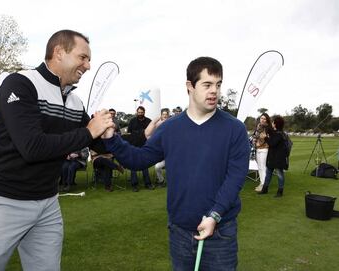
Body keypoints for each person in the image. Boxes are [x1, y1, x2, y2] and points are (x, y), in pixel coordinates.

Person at [0, 29, 114, 270]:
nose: (88, 65)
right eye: (83, 57)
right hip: (3, 201)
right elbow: (32, 147)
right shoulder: (20, 83)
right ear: (59, 52)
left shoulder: (74, 101)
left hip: (47, 203)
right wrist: (88, 132)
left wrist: (119, 135)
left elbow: (100, 144)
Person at [102, 56, 250, 270]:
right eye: (207, 84)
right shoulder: (170, 128)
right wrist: (111, 139)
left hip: (220, 233)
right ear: (190, 86)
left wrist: (214, 215)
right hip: (180, 232)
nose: (214, 91)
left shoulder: (234, 129)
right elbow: (139, 159)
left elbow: (235, 178)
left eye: (218, 85)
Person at [258, 115, 288, 197]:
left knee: (279, 174)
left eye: (273, 122)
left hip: (278, 158)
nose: (272, 123)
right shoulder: (276, 132)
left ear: (276, 124)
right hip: (272, 157)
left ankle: (280, 191)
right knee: (268, 174)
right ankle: (265, 189)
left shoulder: (279, 134)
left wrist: (265, 138)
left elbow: (272, 143)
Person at [127, 106, 154, 192]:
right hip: (134, 146)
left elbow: (152, 133)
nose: (140, 114)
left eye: (141, 112)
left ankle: (148, 184)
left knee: (144, 165)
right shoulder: (132, 121)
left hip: (144, 146)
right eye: (139, 112)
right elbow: (129, 133)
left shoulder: (149, 121)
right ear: (136, 112)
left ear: (144, 112)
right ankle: (134, 185)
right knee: (133, 165)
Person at [251, 113, 272, 192]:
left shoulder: (268, 128)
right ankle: (261, 183)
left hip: (264, 149)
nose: (262, 120)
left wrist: (260, 140)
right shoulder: (258, 127)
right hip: (257, 149)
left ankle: (264, 185)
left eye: (264, 119)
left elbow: (267, 139)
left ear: (267, 120)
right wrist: (254, 140)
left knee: (263, 167)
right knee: (259, 167)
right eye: (261, 118)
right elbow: (255, 136)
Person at [153, 108, 170, 186]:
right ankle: (161, 180)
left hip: (171, 155)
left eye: (166, 114)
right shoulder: (158, 126)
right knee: (157, 167)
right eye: (163, 114)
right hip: (161, 155)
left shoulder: (172, 124)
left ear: (168, 115)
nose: (165, 116)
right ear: (161, 116)